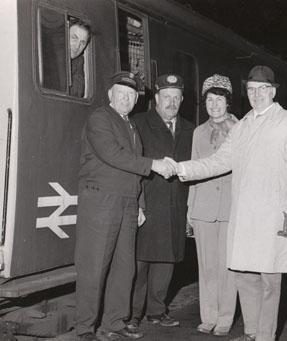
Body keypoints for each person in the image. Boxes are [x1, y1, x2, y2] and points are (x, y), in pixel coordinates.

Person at [167, 65, 287, 341]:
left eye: (262, 89)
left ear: (273, 91)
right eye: (252, 90)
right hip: (244, 215)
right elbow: (219, 161)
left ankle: (265, 337)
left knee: (270, 281)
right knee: (244, 275)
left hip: (274, 215)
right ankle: (252, 332)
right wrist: (180, 169)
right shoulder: (242, 126)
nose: (257, 95)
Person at [75, 71, 174, 341]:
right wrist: (154, 164)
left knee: (124, 267)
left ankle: (114, 323)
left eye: (131, 95)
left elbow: (135, 173)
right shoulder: (100, 118)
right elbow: (112, 155)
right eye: (122, 93)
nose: (126, 98)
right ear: (110, 95)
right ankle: (85, 328)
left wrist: (140, 204)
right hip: (102, 201)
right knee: (94, 267)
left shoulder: (130, 126)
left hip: (128, 203)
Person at [128, 74, 194, 329]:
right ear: (156, 98)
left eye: (176, 98)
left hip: (176, 205)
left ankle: (156, 310)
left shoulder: (190, 129)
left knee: (166, 262)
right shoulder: (139, 124)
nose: (171, 102)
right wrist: (137, 204)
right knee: (140, 263)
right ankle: (132, 314)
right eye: (166, 97)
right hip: (148, 204)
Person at [187, 74, 238, 336]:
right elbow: (195, 172)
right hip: (204, 208)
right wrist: (190, 212)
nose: (214, 104)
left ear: (228, 102)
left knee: (227, 266)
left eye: (219, 99)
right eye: (210, 99)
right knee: (206, 265)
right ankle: (208, 315)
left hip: (230, 208)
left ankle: (226, 317)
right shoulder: (198, 133)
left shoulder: (241, 129)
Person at [69, 18, 91, 97]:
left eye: (82, 43)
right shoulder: (51, 53)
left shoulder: (78, 60)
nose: (77, 46)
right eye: (74, 38)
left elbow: (78, 93)